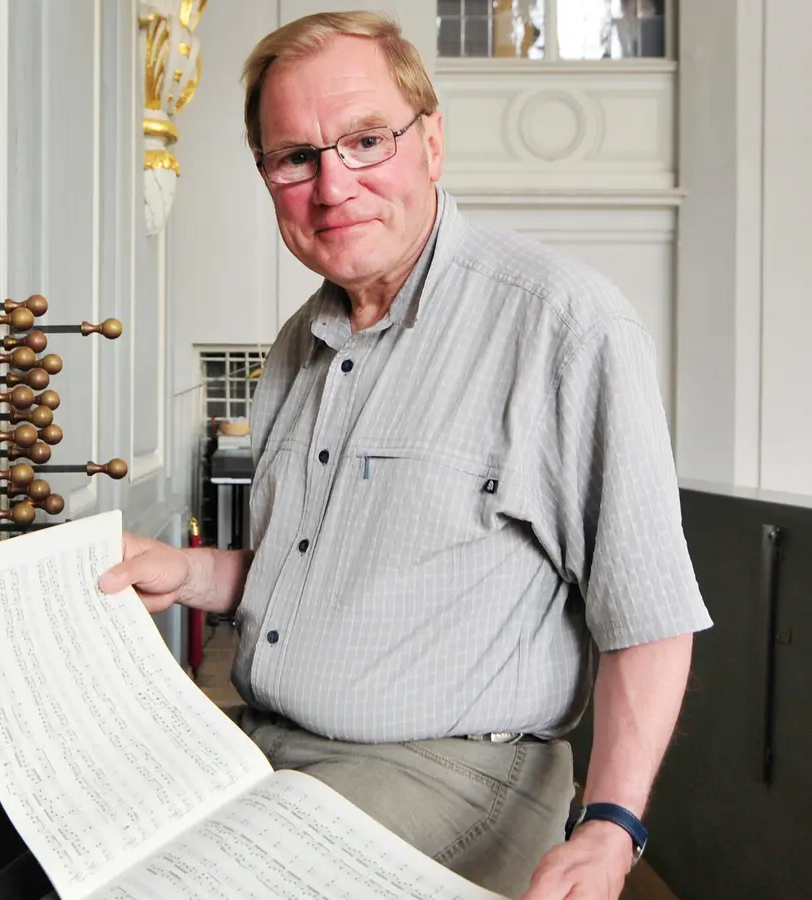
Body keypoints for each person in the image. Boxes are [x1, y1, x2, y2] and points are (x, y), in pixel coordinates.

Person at [94, 10, 713, 900]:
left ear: (431, 143)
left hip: (454, 777)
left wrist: (612, 827)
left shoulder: (566, 323)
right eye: (294, 157)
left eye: (365, 140)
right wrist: (187, 572)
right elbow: (322, 575)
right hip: (266, 742)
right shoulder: (297, 344)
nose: (332, 186)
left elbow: (649, 617)